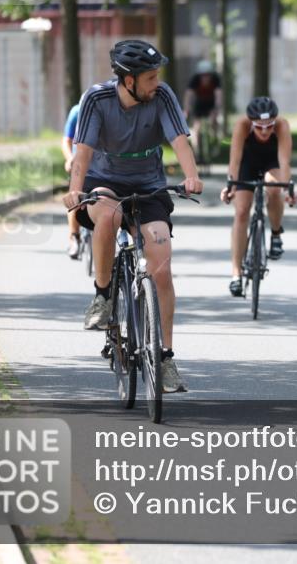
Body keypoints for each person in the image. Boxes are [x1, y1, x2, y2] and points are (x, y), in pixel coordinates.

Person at [62, 39, 203, 393]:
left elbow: (180, 140)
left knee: (161, 264)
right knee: (109, 216)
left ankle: (165, 358)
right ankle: (103, 295)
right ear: (129, 81)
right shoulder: (97, 100)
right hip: (103, 182)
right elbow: (82, 153)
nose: (157, 83)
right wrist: (75, 190)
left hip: (148, 185)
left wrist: (191, 175)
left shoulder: (163, 96)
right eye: (150, 77)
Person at [220, 96, 295, 298]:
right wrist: (230, 186)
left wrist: (287, 189)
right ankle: (236, 274)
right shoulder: (242, 126)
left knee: (274, 188)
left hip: (272, 162)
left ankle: (276, 234)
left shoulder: (282, 126)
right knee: (241, 211)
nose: (264, 131)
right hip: (247, 163)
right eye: (259, 127)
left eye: (269, 126)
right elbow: (235, 162)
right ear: (251, 122)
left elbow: (284, 162)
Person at [183, 59, 223, 163]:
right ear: (199, 75)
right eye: (203, 75)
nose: (205, 78)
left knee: (214, 122)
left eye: (208, 75)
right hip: (199, 103)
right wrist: (186, 110)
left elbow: (218, 96)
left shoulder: (216, 79)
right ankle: (196, 151)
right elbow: (188, 95)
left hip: (211, 103)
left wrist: (216, 110)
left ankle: (214, 140)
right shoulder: (194, 79)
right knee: (196, 127)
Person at [60, 102, 82, 259]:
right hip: (78, 160)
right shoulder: (77, 111)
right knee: (74, 196)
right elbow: (66, 140)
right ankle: (74, 236)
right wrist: (69, 158)